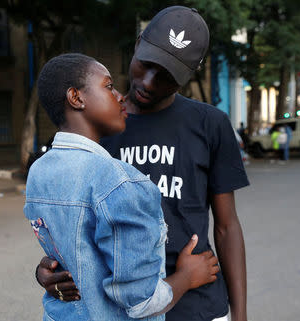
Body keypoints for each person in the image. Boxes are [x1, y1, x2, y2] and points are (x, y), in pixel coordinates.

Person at [36, 6, 249, 321]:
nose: (148, 83)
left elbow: (227, 226)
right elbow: (72, 226)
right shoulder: (96, 129)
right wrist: (45, 271)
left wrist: (241, 315)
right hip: (119, 309)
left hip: (198, 304)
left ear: (188, 76)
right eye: (146, 66)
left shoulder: (210, 124)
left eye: (166, 77)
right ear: (137, 45)